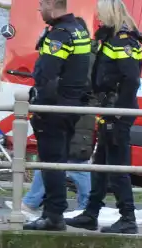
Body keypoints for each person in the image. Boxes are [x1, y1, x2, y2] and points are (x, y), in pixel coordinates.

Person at [65, 0, 142, 234]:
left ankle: (128, 218)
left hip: (117, 111)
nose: (98, 18)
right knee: (100, 165)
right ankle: (91, 214)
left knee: (118, 166)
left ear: (109, 13)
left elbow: (131, 79)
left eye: (100, 14)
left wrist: (120, 109)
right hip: (109, 109)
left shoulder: (123, 40)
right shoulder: (111, 39)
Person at [23, 0, 93, 232]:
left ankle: (53, 216)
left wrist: (39, 97)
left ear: (51, 6)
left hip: (53, 108)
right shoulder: (79, 31)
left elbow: (46, 73)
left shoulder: (59, 35)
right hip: (71, 107)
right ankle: (54, 212)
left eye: (41, 6)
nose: (39, 10)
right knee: (59, 161)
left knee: (51, 163)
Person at [21, 111, 94, 215]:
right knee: (73, 162)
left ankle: (32, 202)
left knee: (58, 161)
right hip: (74, 121)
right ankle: (86, 205)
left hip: (68, 118)